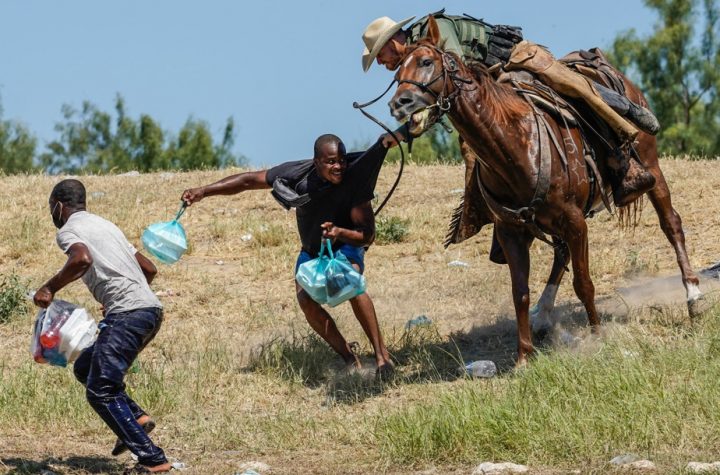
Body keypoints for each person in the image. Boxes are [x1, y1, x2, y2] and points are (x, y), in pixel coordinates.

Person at [361, 11, 660, 208]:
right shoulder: (415, 63)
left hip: (515, 61)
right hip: (491, 88)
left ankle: (624, 144)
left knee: (571, 89)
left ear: (394, 40)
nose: (380, 63)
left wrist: (405, 132)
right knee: (474, 146)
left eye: (380, 54)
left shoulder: (433, 32)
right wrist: (406, 129)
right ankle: (493, 211)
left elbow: (456, 81)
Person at [181, 132, 404, 376]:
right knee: (306, 301)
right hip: (312, 251)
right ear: (316, 161)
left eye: (341, 160)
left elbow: (368, 236)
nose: (338, 166)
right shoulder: (296, 174)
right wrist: (204, 191)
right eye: (331, 161)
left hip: (346, 245)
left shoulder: (355, 180)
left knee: (350, 283)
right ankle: (349, 358)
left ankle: (383, 358)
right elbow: (248, 180)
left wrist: (339, 232)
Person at [33, 179, 171, 474]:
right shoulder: (106, 225)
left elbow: (81, 258)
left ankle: (153, 460)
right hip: (149, 311)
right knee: (85, 367)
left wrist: (49, 288)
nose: (51, 214)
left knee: (101, 390)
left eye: (50, 208)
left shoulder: (69, 230)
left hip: (128, 314)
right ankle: (137, 419)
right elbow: (149, 268)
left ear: (58, 205)